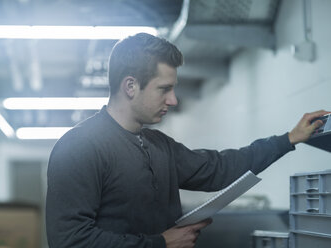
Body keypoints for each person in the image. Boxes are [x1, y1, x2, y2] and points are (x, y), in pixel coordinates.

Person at [46, 33, 329, 248]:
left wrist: (288, 139)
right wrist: (161, 243)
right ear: (131, 86)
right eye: (164, 89)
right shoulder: (79, 147)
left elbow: (218, 169)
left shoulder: (158, 145)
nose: (173, 99)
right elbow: (69, 240)